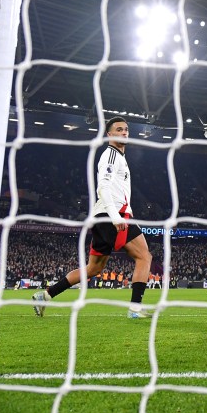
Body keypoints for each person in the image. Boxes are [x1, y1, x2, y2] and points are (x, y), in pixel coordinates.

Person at [33, 116, 154, 319]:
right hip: (111, 215)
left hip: (103, 216)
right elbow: (103, 187)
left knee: (93, 268)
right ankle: (135, 308)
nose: (124, 132)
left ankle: (45, 294)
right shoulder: (111, 156)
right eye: (119, 129)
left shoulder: (118, 157)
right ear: (109, 134)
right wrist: (116, 217)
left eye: (126, 129)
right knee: (144, 256)